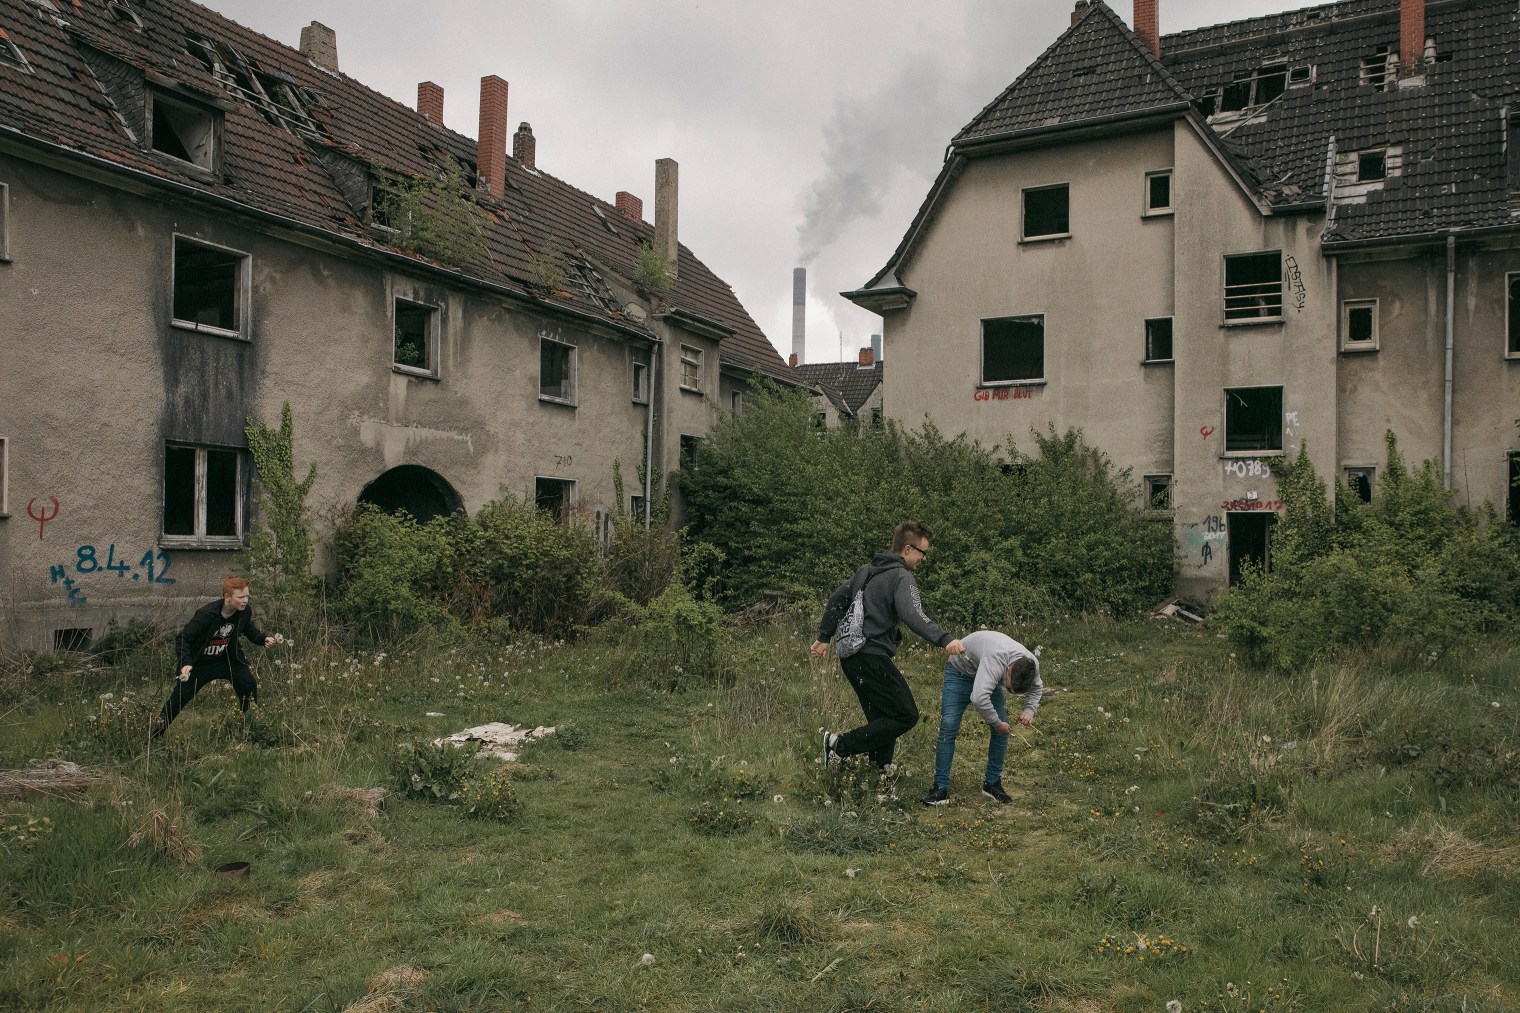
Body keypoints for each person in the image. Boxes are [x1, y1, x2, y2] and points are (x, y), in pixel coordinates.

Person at [811, 521, 964, 769]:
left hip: (851, 657)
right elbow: (912, 613)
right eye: (922, 552)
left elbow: (837, 598)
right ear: (907, 549)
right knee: (905, 715)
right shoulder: (901, 576)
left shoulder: (867, 570)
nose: (923, 558)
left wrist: (824, 637)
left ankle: (879, 776)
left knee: (882, 721)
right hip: (871, 656)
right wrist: (945, 639)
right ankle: (839, 745)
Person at [921, 629, 1042, 806]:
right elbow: (979, 698)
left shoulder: (1031, 664)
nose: (1009, 692)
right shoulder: (996, 659)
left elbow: (1037, 688)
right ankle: (940, 788)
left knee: (1002, 732)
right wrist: (996, 722)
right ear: (1008, 668)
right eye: (1008, 688)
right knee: (949, 725)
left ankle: (992, 783)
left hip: (984, 672)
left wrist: (1029, 710)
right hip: (959, 673)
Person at [154, 576, 280, 737]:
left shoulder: (244, 612)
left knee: (248, 685)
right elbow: (183, 638)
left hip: (227, 660)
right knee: (178, 699)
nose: (245, 600)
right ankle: (156, 735)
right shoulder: (207, 614)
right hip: (201, 663)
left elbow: (248, 629)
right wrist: (185, 663)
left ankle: (248, 730)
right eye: (240, 597)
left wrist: (263, 639)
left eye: (247, 596)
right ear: (227, 597)